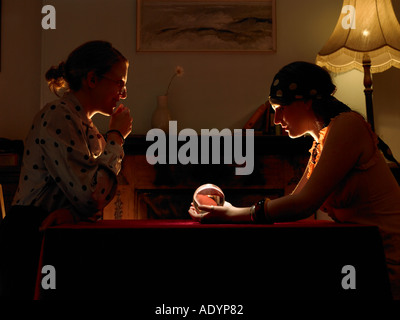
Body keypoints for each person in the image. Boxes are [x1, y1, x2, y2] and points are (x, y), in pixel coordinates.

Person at [189, 61, 400, 299]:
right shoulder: (321, 143)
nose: (277, 119)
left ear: (307, 101)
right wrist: (227, 213)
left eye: (282, 107)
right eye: (273, 109)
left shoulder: (348, 126)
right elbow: (292, 202)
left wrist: (233, 213)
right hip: (365, 255)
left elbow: (303, 205)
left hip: (389, 259)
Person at [0, 40, 133, 299]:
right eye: (120, 83)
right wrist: (116, 136)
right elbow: (90, 194)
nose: (124, 93)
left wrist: (72, 214)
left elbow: (89, 201)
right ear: (92, 79)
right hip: (29, 237)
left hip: (53, 235)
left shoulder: (90, 130)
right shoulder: (58, 116)